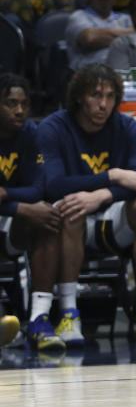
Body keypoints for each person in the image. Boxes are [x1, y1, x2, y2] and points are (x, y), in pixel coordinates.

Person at [36, 64, 136, 346]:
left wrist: (104, 194)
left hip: (112, 217)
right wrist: (111, 176)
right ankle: (68, 313)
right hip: (69, 221)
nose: (103, 104)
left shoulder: (126, 126)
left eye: (110, 96)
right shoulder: (53, 127)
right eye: (95, 95)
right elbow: (51, 185)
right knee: (71, 206)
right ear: (79, 97)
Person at [0, 75, 62, 350]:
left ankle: (39, 319)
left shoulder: (30, 133)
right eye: (11, 103)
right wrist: (19, 205)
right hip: (10, 215)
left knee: (46, 217)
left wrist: (9, 199)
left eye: (24, 104)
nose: (19, 111)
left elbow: (38, 188)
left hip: (8, 220)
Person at [64, 0, 134, 71]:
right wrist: (128, 35)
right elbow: (90, 38)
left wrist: (102, 33)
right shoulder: (78, 16)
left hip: (123, 74)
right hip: (89, 76)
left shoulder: (125, 18)